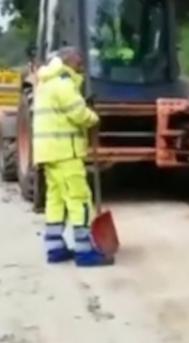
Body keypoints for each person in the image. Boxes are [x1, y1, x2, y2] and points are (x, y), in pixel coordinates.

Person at [32, 46, 113, 267]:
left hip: (49, 153)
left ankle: (55, 247)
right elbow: (78, 114)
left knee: (56, 199)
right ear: (67, 61)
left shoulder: (45, 83)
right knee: (80, 199)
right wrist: (94, 118)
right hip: (66, 152)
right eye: (79, 61)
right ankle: (84, 251)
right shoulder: (64, 84)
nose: (82, 66)